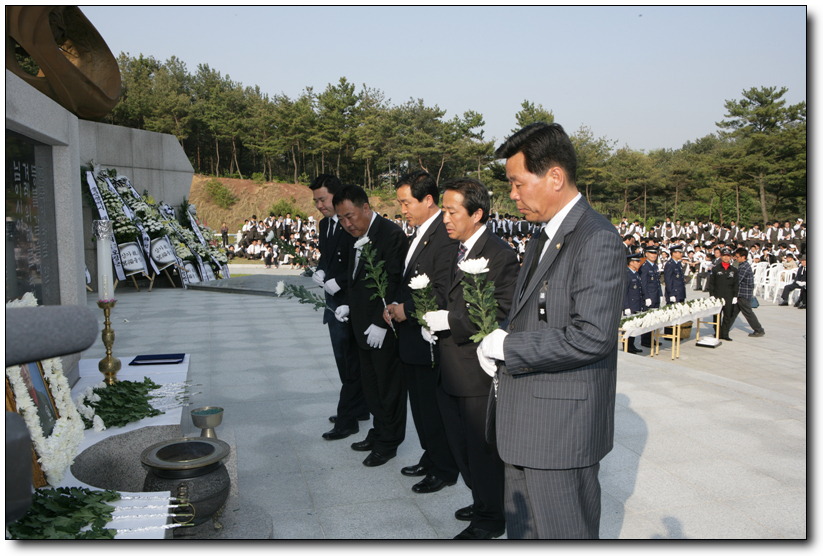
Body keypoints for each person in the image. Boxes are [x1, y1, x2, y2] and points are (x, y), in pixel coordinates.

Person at [476, 123, 625, 539]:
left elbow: (593, 334)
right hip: (526, 424)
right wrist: (500, 337)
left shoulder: (596, 238)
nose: (512, 194)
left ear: (554, 177)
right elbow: (529, 312)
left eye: (517, 183)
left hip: (559, 434)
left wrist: (510, 347)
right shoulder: (545, 235)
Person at [422, 177, 519, 540]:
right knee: (460, 447)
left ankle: (491, 519)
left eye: (451, 211)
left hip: (476, 373)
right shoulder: (454, 248)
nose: (444, 218)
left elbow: (500, 312)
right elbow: (443, 296)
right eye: (443, 210)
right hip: (449, 368)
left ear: (476, 213)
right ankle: (483, 500)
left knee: (481, 451)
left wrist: (451, 321)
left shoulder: (500, 255)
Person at [384, 171, 459, 494]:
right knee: (421, 407)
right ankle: (431, 456)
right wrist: (394, 304)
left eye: (406, 202)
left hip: (431, 340)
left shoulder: (444, 237)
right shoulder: (419, 233)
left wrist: (407, 310)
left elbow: (442, 290)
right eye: (400, 202)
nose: (402, 209)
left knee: (433, 407)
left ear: (428, 200)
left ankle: (444, 467)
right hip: (412, 339)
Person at [333, 185, 408, 467]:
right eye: (341, 219)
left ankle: (389, 442)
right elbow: (358, 279)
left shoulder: (390, 235)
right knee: (372, 385)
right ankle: (379, 432)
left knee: (389, 387)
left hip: (383, 327)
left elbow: (393, 280)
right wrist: (350, 305)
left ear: (366, 207)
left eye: (350, 216)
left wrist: (380, 322)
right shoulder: (358, 234)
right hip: (361, 326)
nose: (346, 224)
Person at [310, 175, 370, 441]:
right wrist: (320, 271)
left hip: (351, 300)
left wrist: (340, 281)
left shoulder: (353, 223)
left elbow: (362, 263)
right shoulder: (325, 225)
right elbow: (327, 256)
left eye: (322, 199)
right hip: (333, 301)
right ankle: (357, 406)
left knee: (352, 359)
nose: (320, 206)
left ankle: (349, 414)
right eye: (316, 201)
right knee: (342, 358)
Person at [731, 248, 765, 337]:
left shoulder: (744, 267)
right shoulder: (741, 265)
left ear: (743, 257)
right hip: (740, 294)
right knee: (732, 313)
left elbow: (737, 280)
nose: (736, 259)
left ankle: (759, 329)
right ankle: (723, 330)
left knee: (748, 313)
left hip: (743, 294)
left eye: (737, 257)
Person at [706, 247, 738, 341]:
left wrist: (735, 296)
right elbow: (711, 283)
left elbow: (736, 284)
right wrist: (712, 295)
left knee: (728, 315)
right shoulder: (716, 269)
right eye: (724, 256)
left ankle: (725, 333)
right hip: (718, 295)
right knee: (717, 314)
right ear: (721, 256)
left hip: (729, 295)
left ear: (731, 257)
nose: (726, 258)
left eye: (728, 256)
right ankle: (717, 333)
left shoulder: (733, 270)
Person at [639, 247, 663, 348]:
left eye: (655, 254)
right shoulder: (644, 267)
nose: (653, 255)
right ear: (646, 254)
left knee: (653, 319)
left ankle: (651, 338)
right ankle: (645, 340)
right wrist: (647, 297)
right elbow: (643, 284)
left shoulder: (654, 266)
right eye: (651, 253)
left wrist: (661, 294)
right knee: (647, 319)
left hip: (656, 295)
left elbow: (658, 282)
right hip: (649, 297)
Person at [624, 251, 644, 354]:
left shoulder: (635, 274)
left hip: (636, 304)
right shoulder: (627, 274)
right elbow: (625, 291)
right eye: (636, 261)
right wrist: (626, 306)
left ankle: (632, 345)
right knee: (628, 327)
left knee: (634, 326)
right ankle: (627, 346)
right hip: (630, 305)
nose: (638, 263)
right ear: (631, 262)